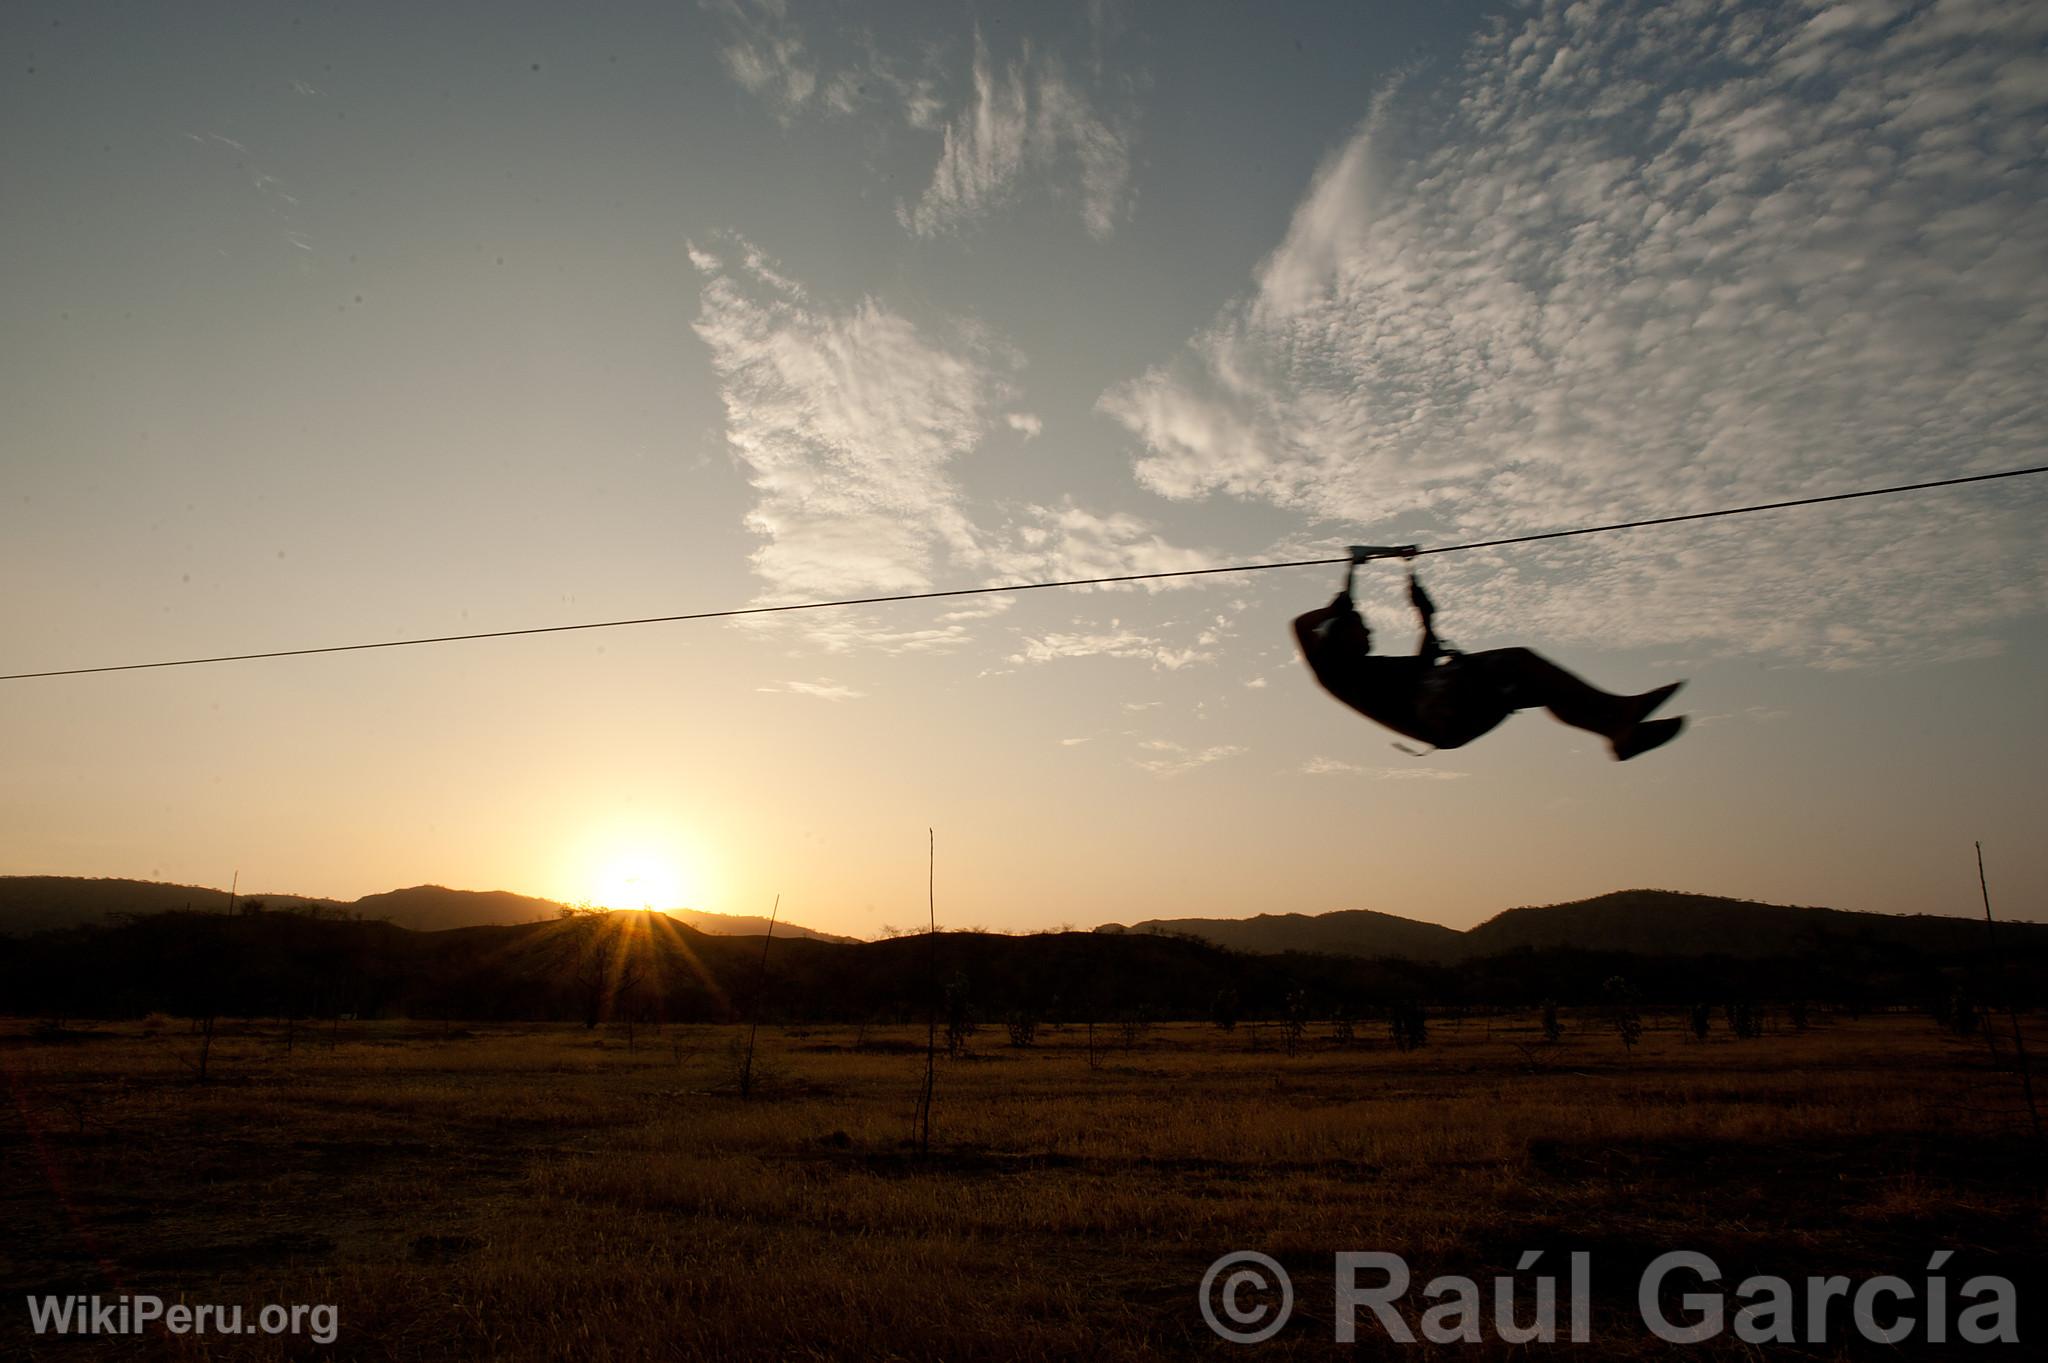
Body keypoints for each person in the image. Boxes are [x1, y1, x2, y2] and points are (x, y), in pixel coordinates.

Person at [1292, 551, 1685, 760]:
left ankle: (1618, 732)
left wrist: (1425, 618)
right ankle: (1620, 713)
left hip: (1447, 719)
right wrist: (1337, 605)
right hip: (1443, 719)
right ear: (1339, 636)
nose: (1370, 634)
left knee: (1535, 685)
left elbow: (1423, 666)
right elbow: (1300, 624)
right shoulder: (1334, 672)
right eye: (1362, 629)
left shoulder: (1366, 670)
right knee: (1517, 662)